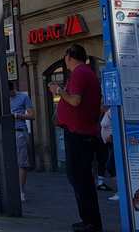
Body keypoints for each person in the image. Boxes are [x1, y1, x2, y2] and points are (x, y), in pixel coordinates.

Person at [49, 44, 103, 232]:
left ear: (70, 56)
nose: (64, 59)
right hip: (81, 132)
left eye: (65, 56)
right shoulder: (85, 73)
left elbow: (75, 100)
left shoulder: (80, 72)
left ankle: (91, 222)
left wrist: (58, 91)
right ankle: (88, 220)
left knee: (80, 178)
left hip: (79, 134)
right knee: (80, 178)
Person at [0, 82, 35, 202]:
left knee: (21, 162)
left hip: (18, 131)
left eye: (7, 93)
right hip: (5, 132)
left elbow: (31, 115)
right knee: (4, 161)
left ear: (11, 89)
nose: (6, 95)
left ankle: (20, 191)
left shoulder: (23, 97)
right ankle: (2, 189)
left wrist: (17, 116)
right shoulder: (3, 99)